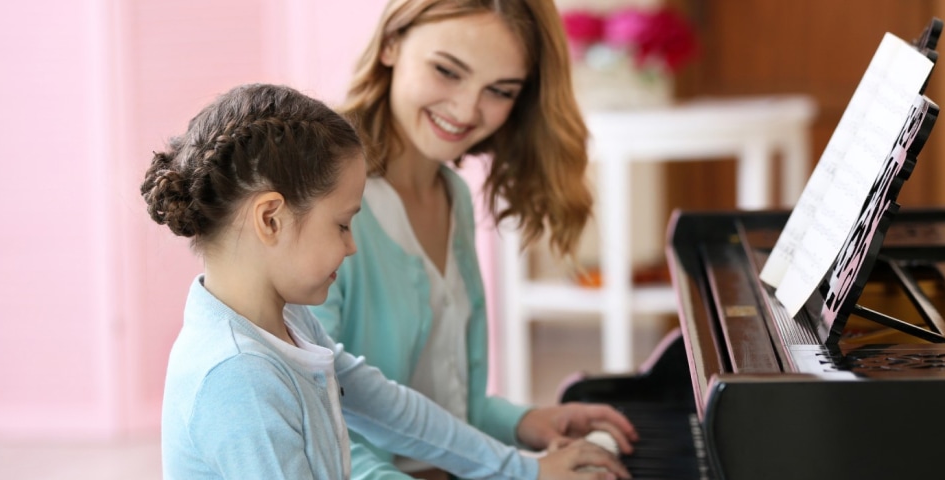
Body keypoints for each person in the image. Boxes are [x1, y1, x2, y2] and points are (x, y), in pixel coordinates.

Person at [143, 83, 628, 479]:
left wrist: (525, 470)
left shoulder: (288, 322)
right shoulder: (238, 377)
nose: (353, 246)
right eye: (343, 224)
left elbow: (393, 410)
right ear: (270, 218)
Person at [309, 1, 638, 478]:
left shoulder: (453, 196)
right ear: (391, 42)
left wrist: (524, 422)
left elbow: (443, 407)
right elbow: (312, 430)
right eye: (447, 71)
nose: (467, 110)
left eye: (500, 90)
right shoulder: (318, 199)